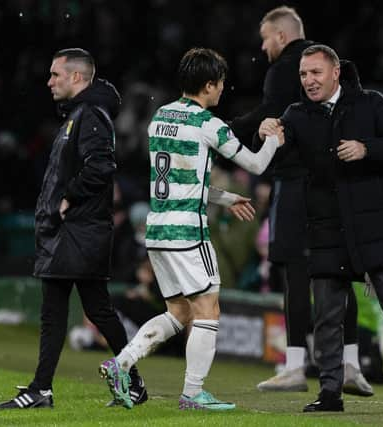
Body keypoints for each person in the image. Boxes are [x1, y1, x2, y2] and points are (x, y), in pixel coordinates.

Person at [98, 47, 284, 410]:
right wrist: (274, 138)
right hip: (188, 232)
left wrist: (226, 198)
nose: (223, 90)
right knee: (209, 310)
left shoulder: (160, 117)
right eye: (221, 83)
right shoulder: (208, 124)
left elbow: (177, 180)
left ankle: (120, 364)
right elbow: (257, 165)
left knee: (180, 313)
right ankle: (193, 393)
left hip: (157, 230)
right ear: (210, 84)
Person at [260, 45, 383, 413]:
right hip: (327, 226)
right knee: (327, 316)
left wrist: (367, 148)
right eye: (303, 74)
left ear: (335, 73)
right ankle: (330, 391)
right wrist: (268, 134)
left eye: (315, 73)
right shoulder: (297, 114)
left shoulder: (370, 103)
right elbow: (277, 161)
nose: (309, 81)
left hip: (375, 223)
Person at [0, 48, 148, 409]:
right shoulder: (79, 115)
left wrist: (68, 197)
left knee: (62, 311)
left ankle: (42, 389)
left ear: (77, 77)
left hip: (79, 230)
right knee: (95, 310)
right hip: (75, 231)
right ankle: (130, 383)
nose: (49, 81)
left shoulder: (90, 115)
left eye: (55, 75)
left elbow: (101, 166)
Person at [233, 5, 372, 396]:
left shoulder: (285, 69)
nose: (263, 48)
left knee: (295, 272)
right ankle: (349, 364)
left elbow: (269, 115)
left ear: (280, 36)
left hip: (294, 184)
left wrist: (225, 131)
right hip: (334, 183)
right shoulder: (335, 66)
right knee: (339, 271)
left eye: (265, 38)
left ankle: (295, 366)